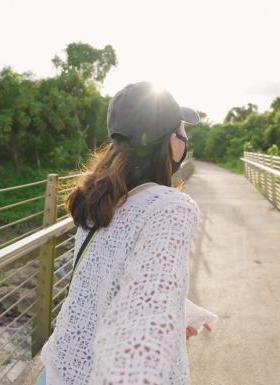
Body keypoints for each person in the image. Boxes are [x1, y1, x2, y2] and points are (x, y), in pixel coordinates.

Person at [38, 81, 209, 385]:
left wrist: (170, 313)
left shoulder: (101, 199)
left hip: (56, 370)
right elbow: (138, 349)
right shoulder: (170, 207)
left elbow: (108, 281)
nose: (185, 137)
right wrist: (156, 321)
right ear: (172, 142)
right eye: (182, 130)